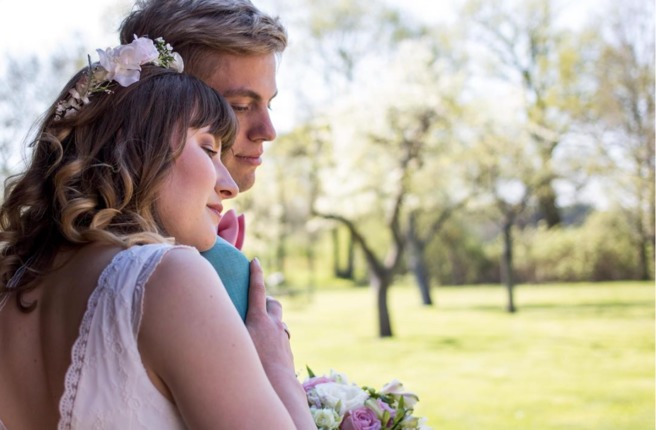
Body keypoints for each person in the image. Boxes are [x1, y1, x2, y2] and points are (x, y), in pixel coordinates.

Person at [0, 37, 315, 429]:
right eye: (209, 149)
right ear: (138, 149)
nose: (228, 184)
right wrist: (277, 369)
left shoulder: (14, 288)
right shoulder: (166, 276)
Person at [119, 0, 288, 320]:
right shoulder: (204, 268)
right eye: (239, 106)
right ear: (161, 102)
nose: (268, 131)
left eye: (269, 104)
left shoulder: (67, 251)